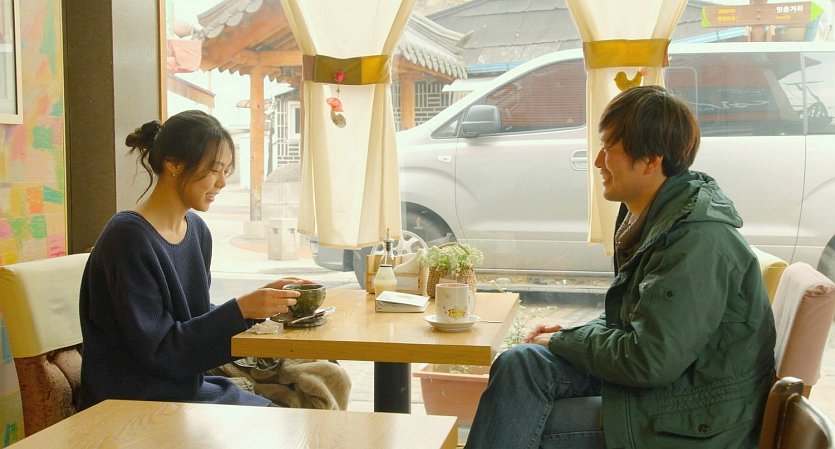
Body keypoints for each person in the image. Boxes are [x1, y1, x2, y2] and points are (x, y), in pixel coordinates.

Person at [464, 86, 777, 449]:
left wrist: (567, 340)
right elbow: (645, 321)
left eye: (609, 148)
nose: (598, 161)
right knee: (521, 364)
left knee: (522, 419)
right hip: (670, 390)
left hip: (696, 419)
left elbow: (650, 360)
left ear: (651, 160)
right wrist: (572, 333)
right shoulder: (655, 218)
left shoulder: (695, 241)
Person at [79, 110, 312, 409]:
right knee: (288, 422)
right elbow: (160, 351)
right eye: (215, 170)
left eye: (226, 171)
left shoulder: (196, 231)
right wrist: (242, 310)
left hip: (183, 388)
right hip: (134, 402)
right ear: (174, 164)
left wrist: (258, 307)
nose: (222, 182)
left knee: (298, 412)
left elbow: (194, 320)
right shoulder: (127, 238)